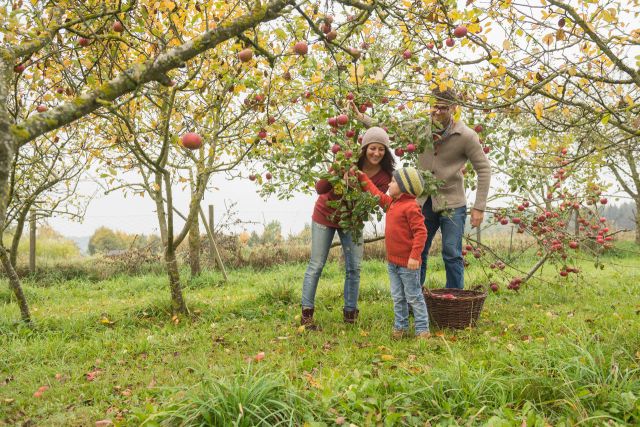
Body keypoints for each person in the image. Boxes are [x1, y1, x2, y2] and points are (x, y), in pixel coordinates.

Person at [350, 88, 491, 289]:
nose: (438, 112)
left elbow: (483, 169)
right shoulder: (420, 127)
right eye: (435, 107)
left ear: (453, 108)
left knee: (451, 253)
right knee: (419, 251)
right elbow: (389, 127)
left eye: (443, 108)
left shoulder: (466, 135)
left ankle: (453, 301)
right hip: (424, 201)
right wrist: (361, 116)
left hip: (452, 202)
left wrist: (479, 206)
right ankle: (416, 300)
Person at [301, 126, 395, 329]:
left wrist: (360, 183)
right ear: (364, 148)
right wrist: (337, 169)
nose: (376, 153)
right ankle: (306, 314)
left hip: (352, 221)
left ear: (385, 152)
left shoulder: (385, 176)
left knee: (354, 267)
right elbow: (320, 189)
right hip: (326, 214)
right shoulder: (348, 161)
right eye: (372, 148)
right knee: (316, 265)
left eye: (381, 149)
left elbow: (376, 201)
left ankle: (350, 315)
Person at [358, 165, 430, 339]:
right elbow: (377, 195)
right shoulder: (392, 203)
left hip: (408, 264)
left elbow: (421, 233)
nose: (389, 184)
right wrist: (363, 178)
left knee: (413, 297)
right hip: (393, 262)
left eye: (392, 181)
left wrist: (414, 257)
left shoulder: (411, 207)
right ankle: (401, 327)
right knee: (398, 296)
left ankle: (422, 330)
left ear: (404, 186)